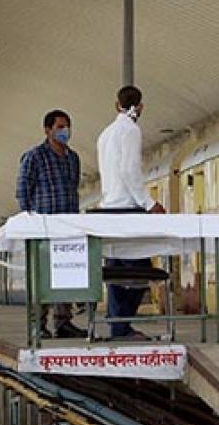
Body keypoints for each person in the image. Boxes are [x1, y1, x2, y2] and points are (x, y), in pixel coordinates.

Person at [97, 85, 165, 340]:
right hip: (127, 211)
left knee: (115, 273)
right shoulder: (131, 130)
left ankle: (117, 325)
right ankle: (121, 326)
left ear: (117, 105)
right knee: (140, 272)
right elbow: (129, 170)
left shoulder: (105, 134)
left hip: (108, 210)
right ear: (141, 107)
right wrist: (149, 204)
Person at [16, 109, 87, 338]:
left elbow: (73, 188)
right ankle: (38, 325)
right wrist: (31, 220)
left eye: (67, 127)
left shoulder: (73, 158)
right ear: (47, 130)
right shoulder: (34, 157)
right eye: (60, 127)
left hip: (68, 227)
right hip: (44, 227)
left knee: (66, 274)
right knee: (42, 277)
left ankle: (63, 322)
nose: (65, 131)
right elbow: (23, 191)